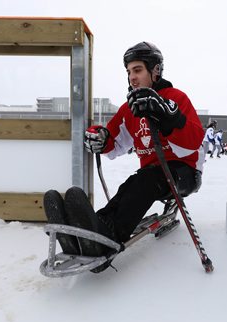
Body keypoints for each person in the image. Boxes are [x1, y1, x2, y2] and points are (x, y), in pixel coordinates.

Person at [43, 41, 205, 273]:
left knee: (144, 181)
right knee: (134, 184)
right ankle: (86, 231)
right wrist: (100, 137)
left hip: (184, 172)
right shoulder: (130, 109)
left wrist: (170, 117)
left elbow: (194, 142)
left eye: (137, 70)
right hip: (152, 174)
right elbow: (115, 142)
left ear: (155, 70)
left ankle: (105, 237)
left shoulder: (175, 98)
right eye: (129, 72)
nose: (132, 77)